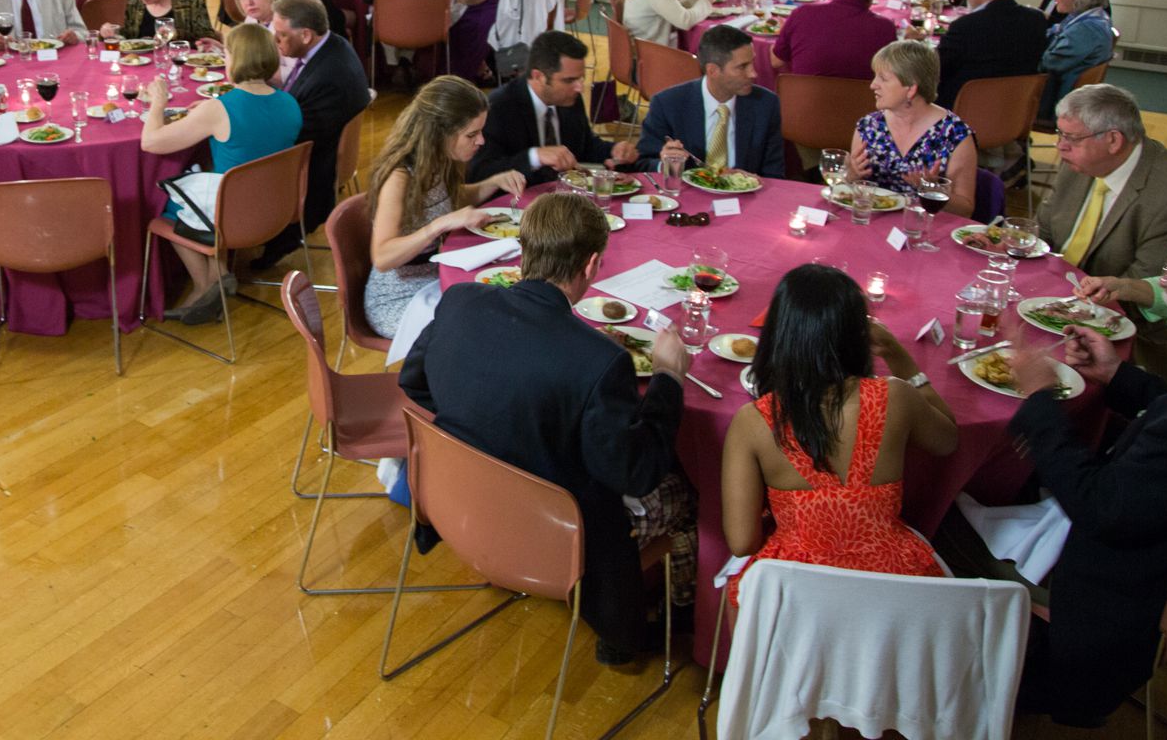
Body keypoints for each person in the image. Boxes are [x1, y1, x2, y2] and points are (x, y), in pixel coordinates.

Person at [399, 191, 692, 659]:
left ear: (523, 247)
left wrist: (488, 417)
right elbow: (636, 473)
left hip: (456, 500)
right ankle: (648, 628)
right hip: (555, 532)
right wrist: (668, 379)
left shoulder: (462, 301)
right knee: (690, 491)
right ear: (593, 265)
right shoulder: (601, 362)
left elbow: (415, 383)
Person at [1003, 199, 1167, 727]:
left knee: (947, 522)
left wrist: (1038, 402)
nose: (1162, 287)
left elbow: (1100, 507)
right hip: (1165, 541)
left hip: (1110, 605)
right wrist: (1116, 376)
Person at [722, 264, 958, 608]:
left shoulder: (754, 421)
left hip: (797, 592)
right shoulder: (896, 397)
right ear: (857, 335)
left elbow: (742, 541)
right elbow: (948, 439)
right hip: (891, 589)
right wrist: (898, 356)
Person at [1037, 84, 1167, 373]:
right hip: (1057, 302)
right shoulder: (1081, 160)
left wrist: (1055, 309)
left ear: (1113, 140)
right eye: (1060, 135)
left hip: (1128, 337)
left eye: (1071, 138)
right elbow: (1045, 228)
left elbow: (1147, 285)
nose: (1060, 146)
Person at [140, 24, 303, 325]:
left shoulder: (220, 109)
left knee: (168, 207)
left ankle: (208, 284)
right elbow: (254, 121)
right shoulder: (290, 102)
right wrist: (210, 110)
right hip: (274, 205)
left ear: (236, 59)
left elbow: (150, 143)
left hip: (231, 212)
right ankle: (215, 279)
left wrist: (158, 104)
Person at [364, 76, 528, 340]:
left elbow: (445, 200)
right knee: (486, 328)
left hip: (436, 277)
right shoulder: (399, 176)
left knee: (510, 303)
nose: (481, 141)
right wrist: (439, 225)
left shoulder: (441, 158)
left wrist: (493, 182)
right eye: (472, 134)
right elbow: (382, 258)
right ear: (440, 133)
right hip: (397, 297)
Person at [254, 0, 371, 263]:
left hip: (311, 171)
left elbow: (292, 135)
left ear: (306, 35)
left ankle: (247, 231)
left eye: (281, 35)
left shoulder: (330, 76)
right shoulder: (333, 46)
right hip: (319, 148)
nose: (275, 41)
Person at [467, 31, 638, 186]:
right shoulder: (500, 107)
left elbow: (584, 146)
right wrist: (535, 157)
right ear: (538, 76)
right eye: (569, 80)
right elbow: (479, 173)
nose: (580, 88)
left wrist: (614, 150)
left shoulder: (568, 98)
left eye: (580, 79)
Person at [844, 39, 976, 214]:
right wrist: (851, 177)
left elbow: (966, 210)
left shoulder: (954, 135)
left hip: (927, 230)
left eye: (883, 78)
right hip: (873, 224)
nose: (873, 85)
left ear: (911, 89)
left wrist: (934, 192)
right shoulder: (869, 127)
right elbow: (851, 194)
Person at [635, 25, 787, 177]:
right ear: (712, 71)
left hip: (746, 198)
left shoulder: (765, 104)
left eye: (752, 62)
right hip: (688, 196)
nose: (753, 73)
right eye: (742, 67)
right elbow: (643, 163)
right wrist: (666, 165)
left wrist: (757, 182)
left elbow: (774, 173)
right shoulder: (668, 104)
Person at [932, 0, 1048, 106]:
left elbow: (935, 69)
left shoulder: (966, 27)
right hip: (1017, 110)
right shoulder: (1036, 20)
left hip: (964, 111)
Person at [771, 0, 895, 80]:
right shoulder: (885, 28)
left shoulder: (803, 14)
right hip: (860, 100)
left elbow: (776, 62)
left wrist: (782, 34)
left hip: (805, 99)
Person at [1039, 0, 1113, 120]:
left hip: (1056, 103)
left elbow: (1047, 63)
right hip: (1062, 95)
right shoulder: (1090, 17)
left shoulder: (1087, 30)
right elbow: (1051, 34)